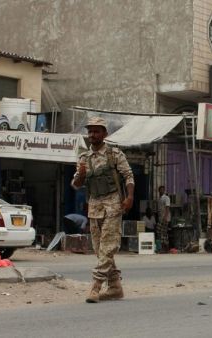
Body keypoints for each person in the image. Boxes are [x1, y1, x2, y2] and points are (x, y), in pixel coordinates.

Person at [71, 117, 135, 303]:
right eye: (90, 131)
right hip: (94, 206)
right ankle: (115, 287)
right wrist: (80, 176)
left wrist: (129, 197)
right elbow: (76, 184)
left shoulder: (114, 154)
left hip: (114, 204)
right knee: (100, 249)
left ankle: (96, 286)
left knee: (108, 245)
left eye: (96, 131)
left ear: (104, 134)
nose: (92, 134)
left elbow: (128, 175)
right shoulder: (84, 158)